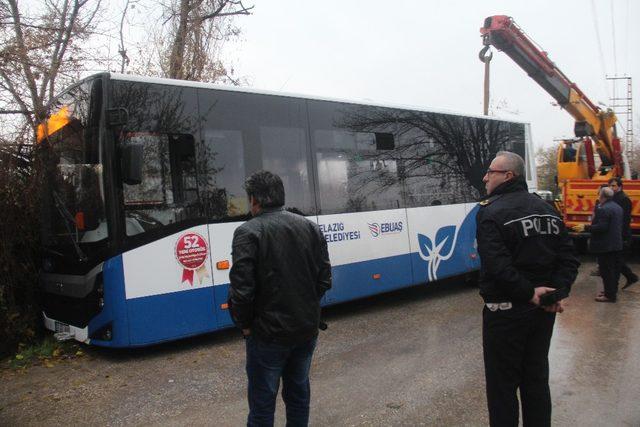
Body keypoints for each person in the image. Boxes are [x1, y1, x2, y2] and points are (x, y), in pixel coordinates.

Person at [476, 151, 579, 427]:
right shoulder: (548, 210)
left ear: (509, 175)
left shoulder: (490, 212)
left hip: (506, 314)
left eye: (491, 172)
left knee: (502, 388)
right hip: (543, 312)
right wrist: (553, 295)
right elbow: (569, 259)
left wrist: (529, 294)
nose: (485, 177)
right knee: (535, 380)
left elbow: (498, 268)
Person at [228, 170, 332, 427]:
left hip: (267, 336)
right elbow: (324, 280)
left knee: (262, 406)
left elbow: (242, 291)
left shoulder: (247, 232)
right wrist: (305, 307)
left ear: (255, 200)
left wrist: (245, 325)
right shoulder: (309, 226)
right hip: (306, 330)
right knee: (298, 396)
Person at [573, 186, 624, 302]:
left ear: (602, 196)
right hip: (616, 244)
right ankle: (610, 291)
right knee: (614, 271)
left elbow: (602, 227)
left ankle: (609, 295)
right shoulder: (617, 207)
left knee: (606, 271)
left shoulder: (603, 209)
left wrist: (585, 227)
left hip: (605, 245)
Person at [608, 177, 638, 289]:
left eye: (614, 185)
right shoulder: (613, 198)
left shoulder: (624, 199)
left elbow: (625, 220)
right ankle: (631, 277)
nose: (612, 188)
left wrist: (623, 237)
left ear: (620, 186)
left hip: (621, 235)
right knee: (617, 261)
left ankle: (612, 290)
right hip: (616, 234)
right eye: (610, 185)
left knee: (616, 262)